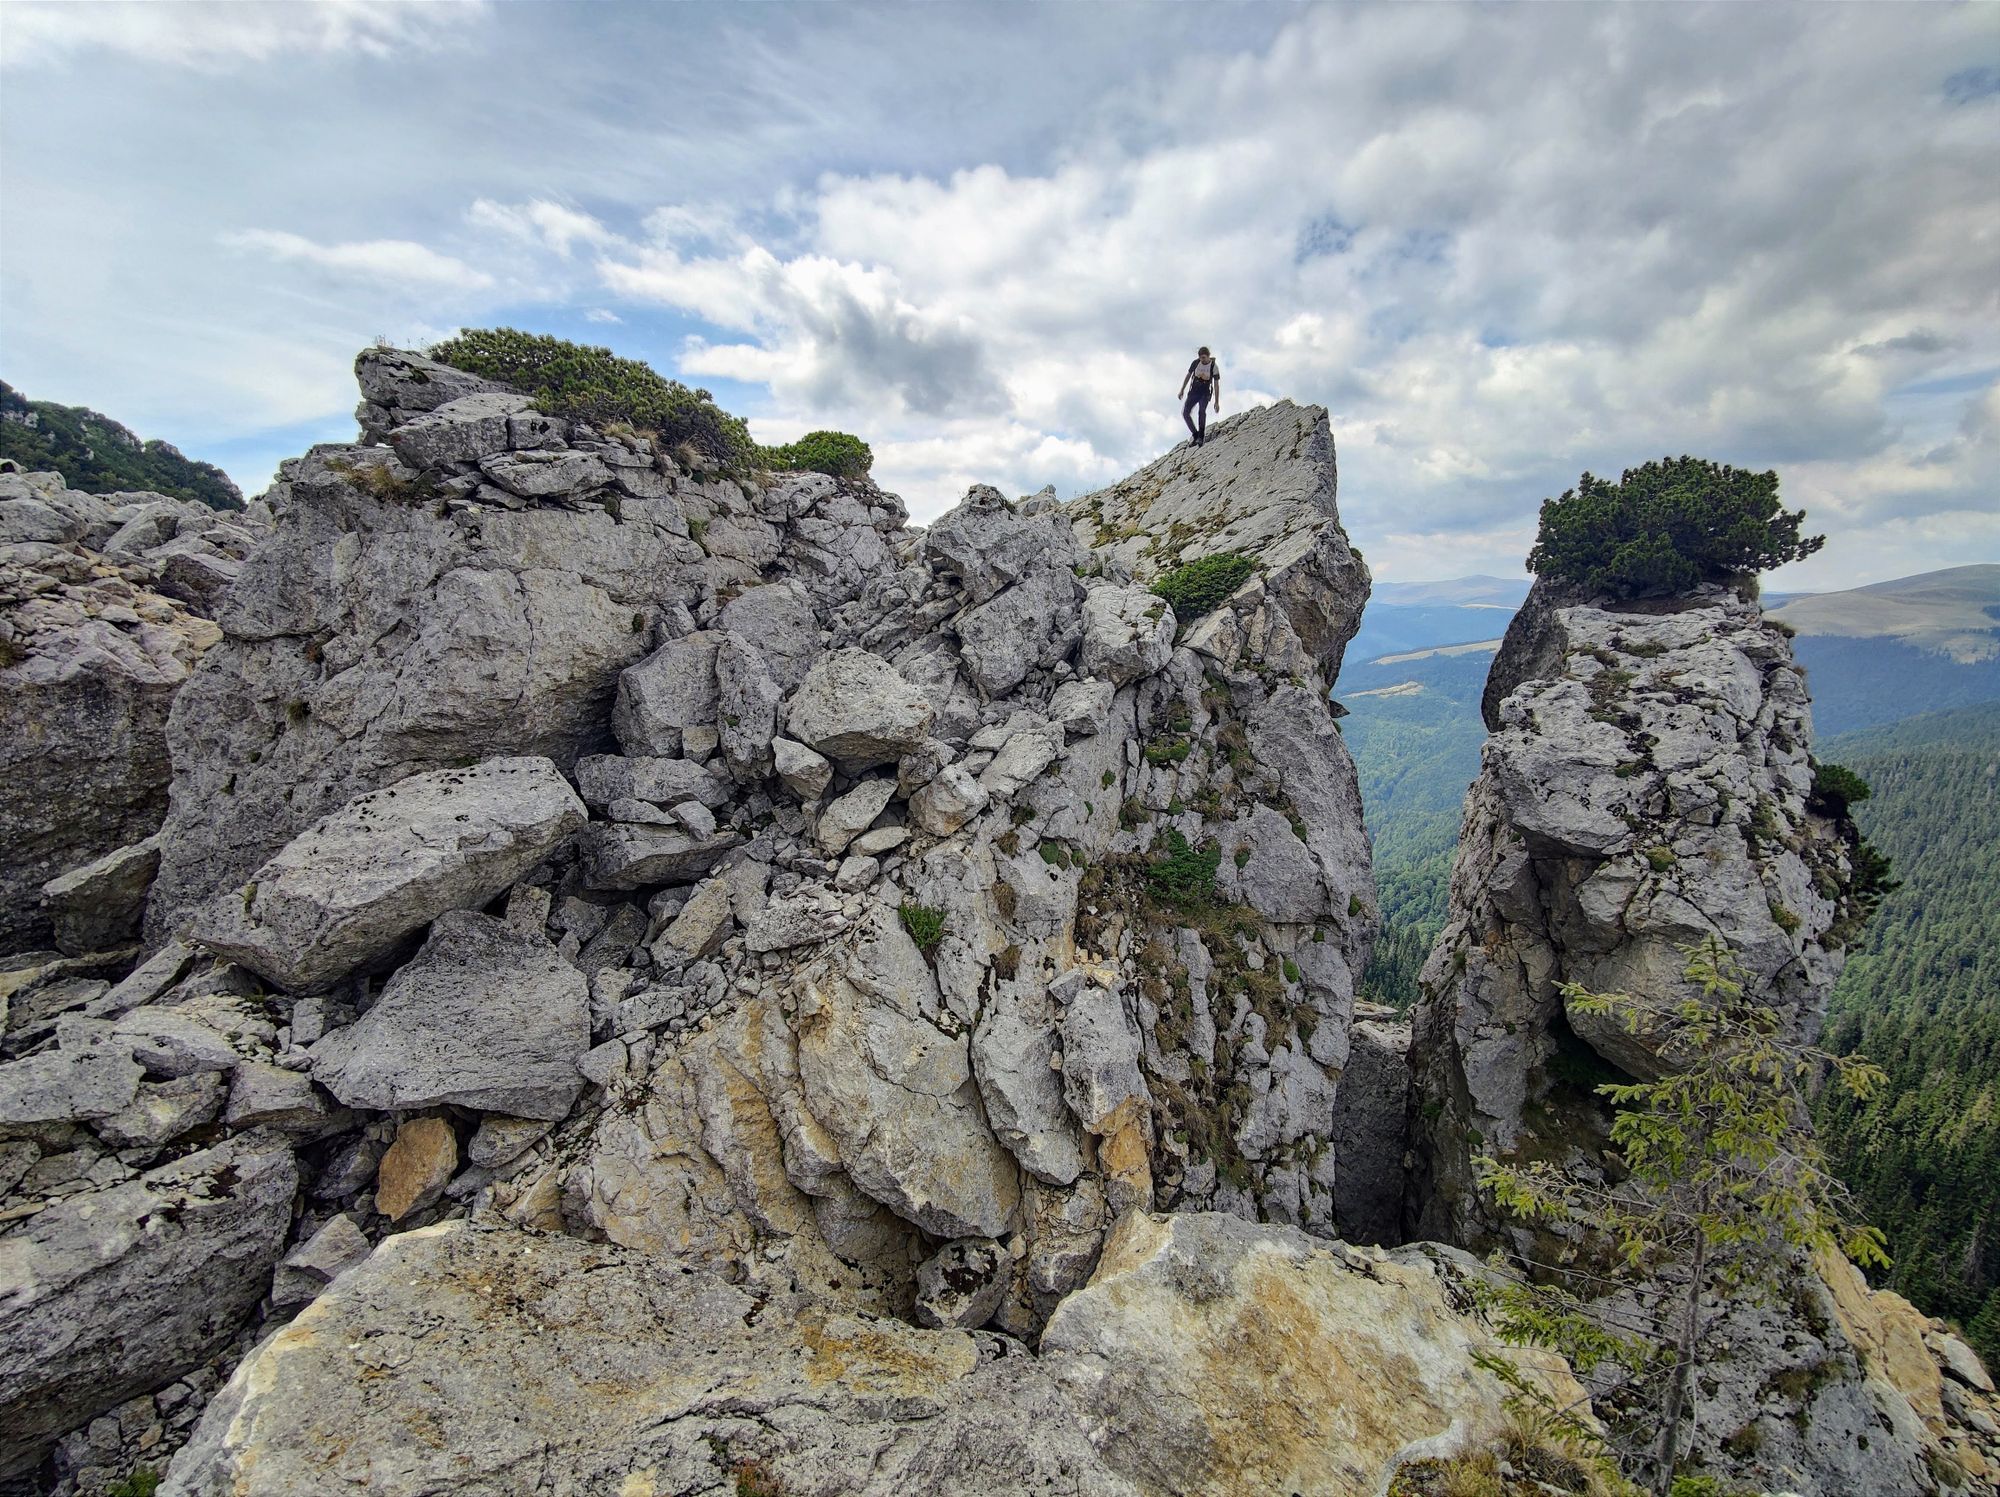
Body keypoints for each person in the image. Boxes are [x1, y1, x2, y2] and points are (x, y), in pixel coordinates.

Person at [1178, 346, 1221, 445]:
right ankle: (1195, 434)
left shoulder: (1214, 366)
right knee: (1185, 413)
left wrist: (1217, 402)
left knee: (1202, 411)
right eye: (1201, 358)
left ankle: (1201, 436)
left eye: (1204, 357)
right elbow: (1188, 376)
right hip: (1194, 391)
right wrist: (1182, 389)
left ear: (1208, 356)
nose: (1202, 360)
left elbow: (1216, 384)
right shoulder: (1196, 363)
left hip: (1205, 393)